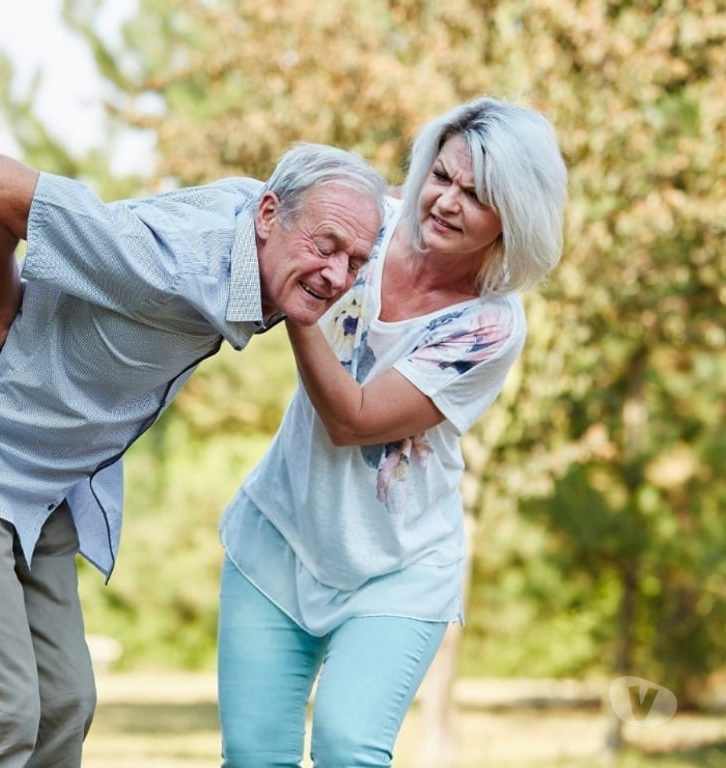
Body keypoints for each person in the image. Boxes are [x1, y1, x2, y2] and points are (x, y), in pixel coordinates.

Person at [0, 142, 386, 768]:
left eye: (357, 259)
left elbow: (382, 218)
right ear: (269, 215)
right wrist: (0, 303)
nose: (338, 275)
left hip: (38, 477)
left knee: (62, 708)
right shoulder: (168, 262)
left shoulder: (273, 228)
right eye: (326, 246)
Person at [217, 96, 568, 767]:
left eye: (477, 194)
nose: (444, 202)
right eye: (442, 176)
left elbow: (354, 419)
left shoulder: (491, 325)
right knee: (254, 756)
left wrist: (300, 310)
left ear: (513, 216)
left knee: (350, 748)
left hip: (398, 567)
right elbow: (253, 211)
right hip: (278, 535)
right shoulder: (368, 224)